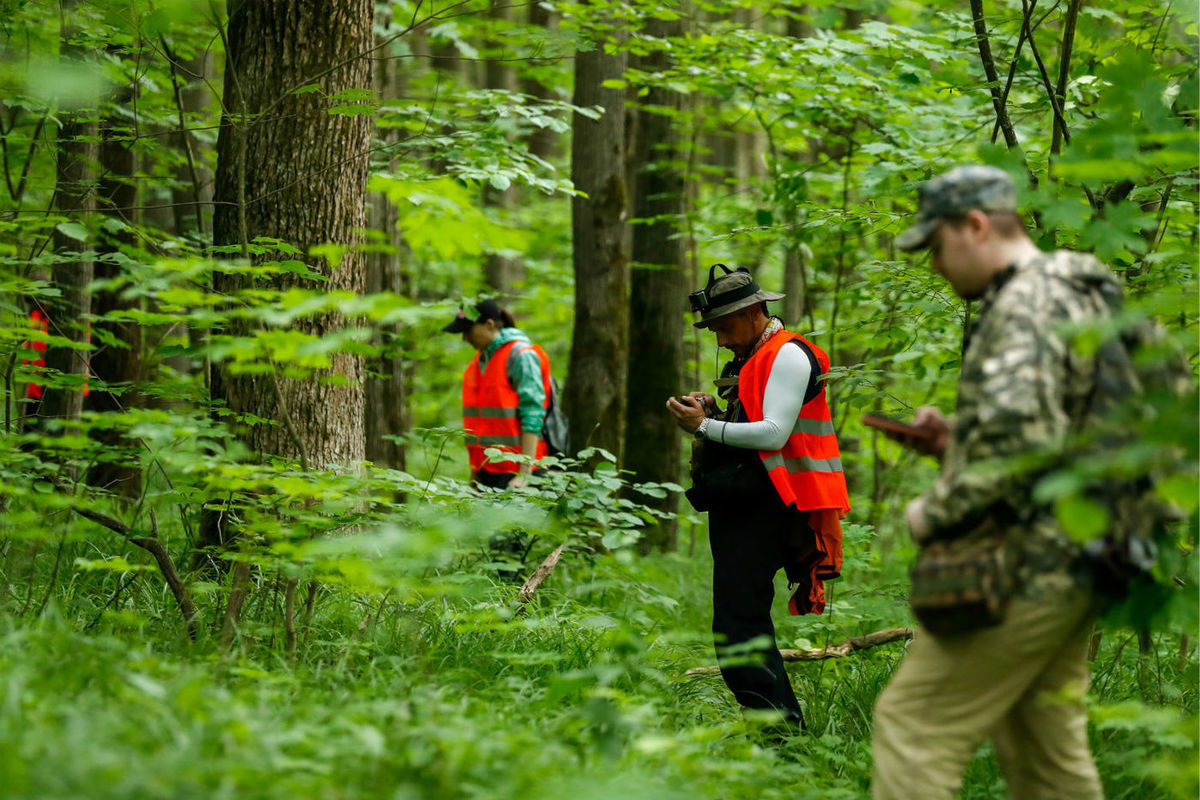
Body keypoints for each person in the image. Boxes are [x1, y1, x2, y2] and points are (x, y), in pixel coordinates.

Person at [871, 165, 1111, 799]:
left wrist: (933, 511)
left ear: (974, 226)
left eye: (936, 247)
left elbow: (1020, 442)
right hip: (1084, 553)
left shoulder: (1024, 303)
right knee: (1044, 750)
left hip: (1026, 560)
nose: (934, 267)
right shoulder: (1074, 287)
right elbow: (1057, 426)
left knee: (913, 728)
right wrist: (959, 439)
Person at [667, 264, 850, 732]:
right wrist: (713, 407)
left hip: (773, 504)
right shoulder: (754, 354)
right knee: (737, 623)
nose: (721, 339)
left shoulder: (788, 354)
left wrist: (703, 426)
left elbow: (773, 433)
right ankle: (776, 733)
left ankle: (782, 737)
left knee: (739, 626)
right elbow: (752, 417)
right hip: (744, 502)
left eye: (724, 327)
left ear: (754, 312)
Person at [444, 299, 552, 489]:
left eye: (468, 331)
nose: (465, 338)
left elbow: (533, 414)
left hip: (519, 473)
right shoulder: (478, 363)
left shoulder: (520, 355)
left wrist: (525, 473)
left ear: (489, 325)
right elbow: (479, 424)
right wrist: (475, 473)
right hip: (488, 471)